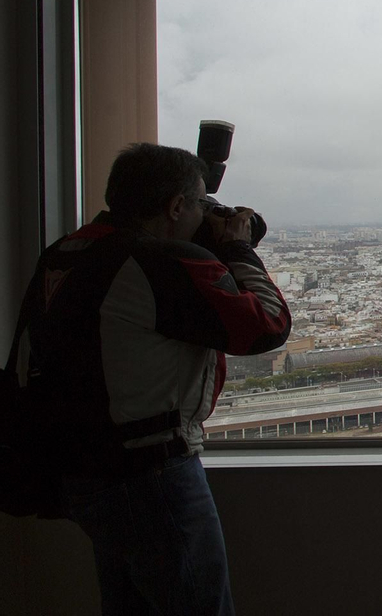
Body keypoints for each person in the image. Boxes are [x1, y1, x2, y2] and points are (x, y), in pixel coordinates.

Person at [11, 143, 291, 615]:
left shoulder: (68, 252)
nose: (207, 213)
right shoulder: (158, 262)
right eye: (201, 203)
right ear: (175, 206)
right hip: (151, 471)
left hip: (82, 466)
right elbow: (267, 323)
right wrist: (238, 248)